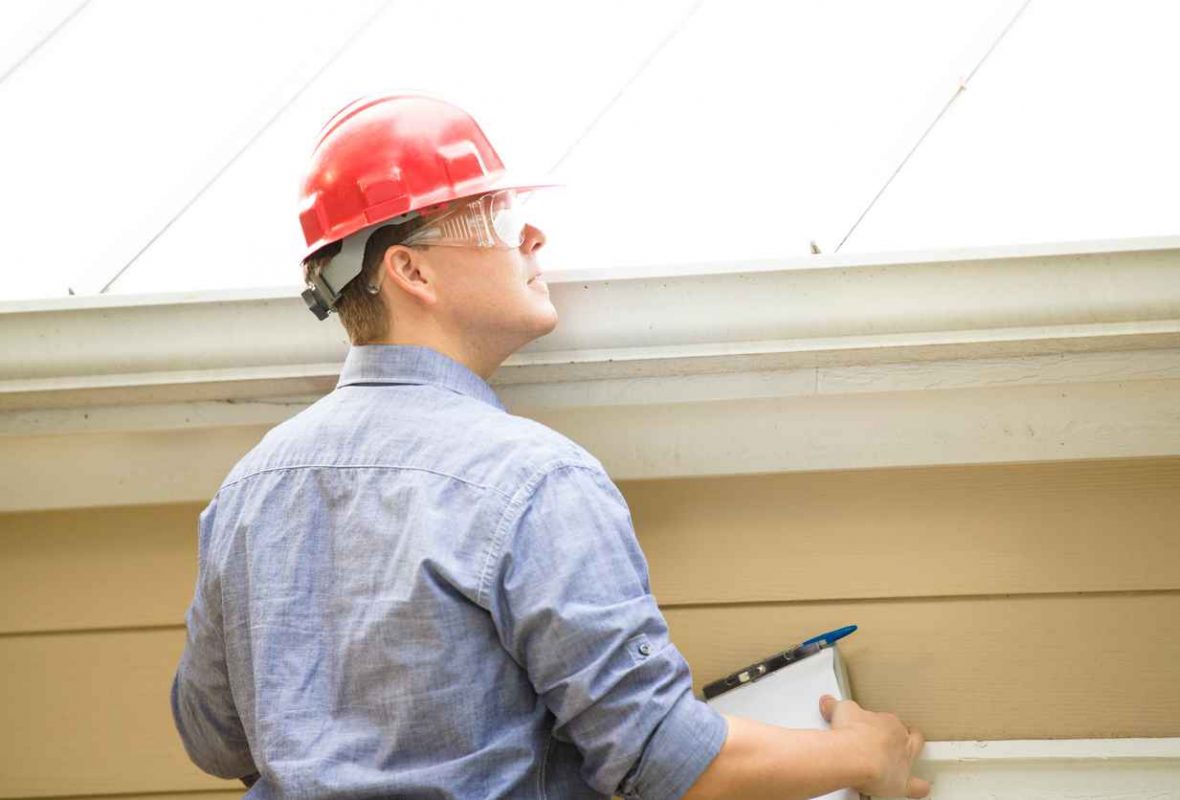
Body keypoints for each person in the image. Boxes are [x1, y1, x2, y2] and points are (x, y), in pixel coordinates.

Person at [170, 93, 930, 800]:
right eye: (496, 218)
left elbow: (211, 738)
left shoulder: (247, 491)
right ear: (410, 270)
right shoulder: (530, 480)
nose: (532, 235)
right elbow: (660, 757)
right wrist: (868, 753)